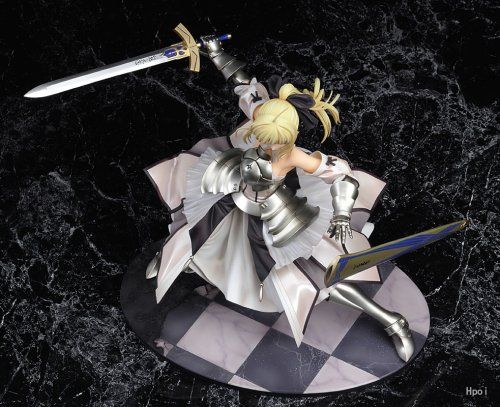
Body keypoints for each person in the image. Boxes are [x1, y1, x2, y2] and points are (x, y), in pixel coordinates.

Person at [144, 36, 414, 361]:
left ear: (289, 137)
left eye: (273, 142)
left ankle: (392, 321)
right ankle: (174, 258)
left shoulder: (294, 155)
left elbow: (342, 176)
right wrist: (215, 53)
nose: (265, 145)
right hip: (232, 191)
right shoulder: (262, 116)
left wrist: (342, 214)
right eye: (261, 137)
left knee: (313, 278)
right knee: (196, 225)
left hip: (276, 216)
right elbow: (243, 83)